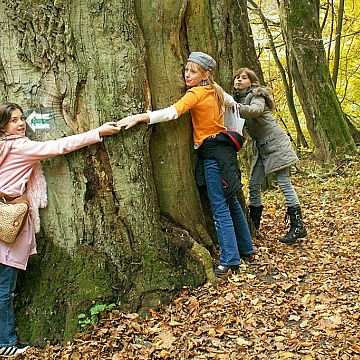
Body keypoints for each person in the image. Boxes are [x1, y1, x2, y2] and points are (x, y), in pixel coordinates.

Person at [117, 52, 255, 277]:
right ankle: (246, 247)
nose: (187, 75)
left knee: (219, 206)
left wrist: (141, 117)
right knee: (232, 199)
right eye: (186, 70)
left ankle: (230, 259)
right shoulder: (216, 90)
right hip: (225, 150)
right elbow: (233, 105)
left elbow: (173, 112)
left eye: (193, 71)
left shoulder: (197, 93)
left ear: (205, 74)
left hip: (212, 154)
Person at [0, 102, 120, 358]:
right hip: (7, 221)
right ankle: (6, 341)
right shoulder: (20, 147)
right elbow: (57, 146)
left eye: (21, 118)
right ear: (3, 125)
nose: (21, 124)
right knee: (4, 288)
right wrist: (98, 132)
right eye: (13, 120)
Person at [233, 67, 307, 244]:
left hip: (276, 143)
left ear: (251, 81)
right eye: (237, 77)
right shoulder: (239, 99)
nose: (239, 80)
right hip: (262, 148)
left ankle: (298, 225)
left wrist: (234, 107)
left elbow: (256, 111)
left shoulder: (257, 95)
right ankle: (254, 224)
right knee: (253, 183)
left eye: (244, 78)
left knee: (284, 182)